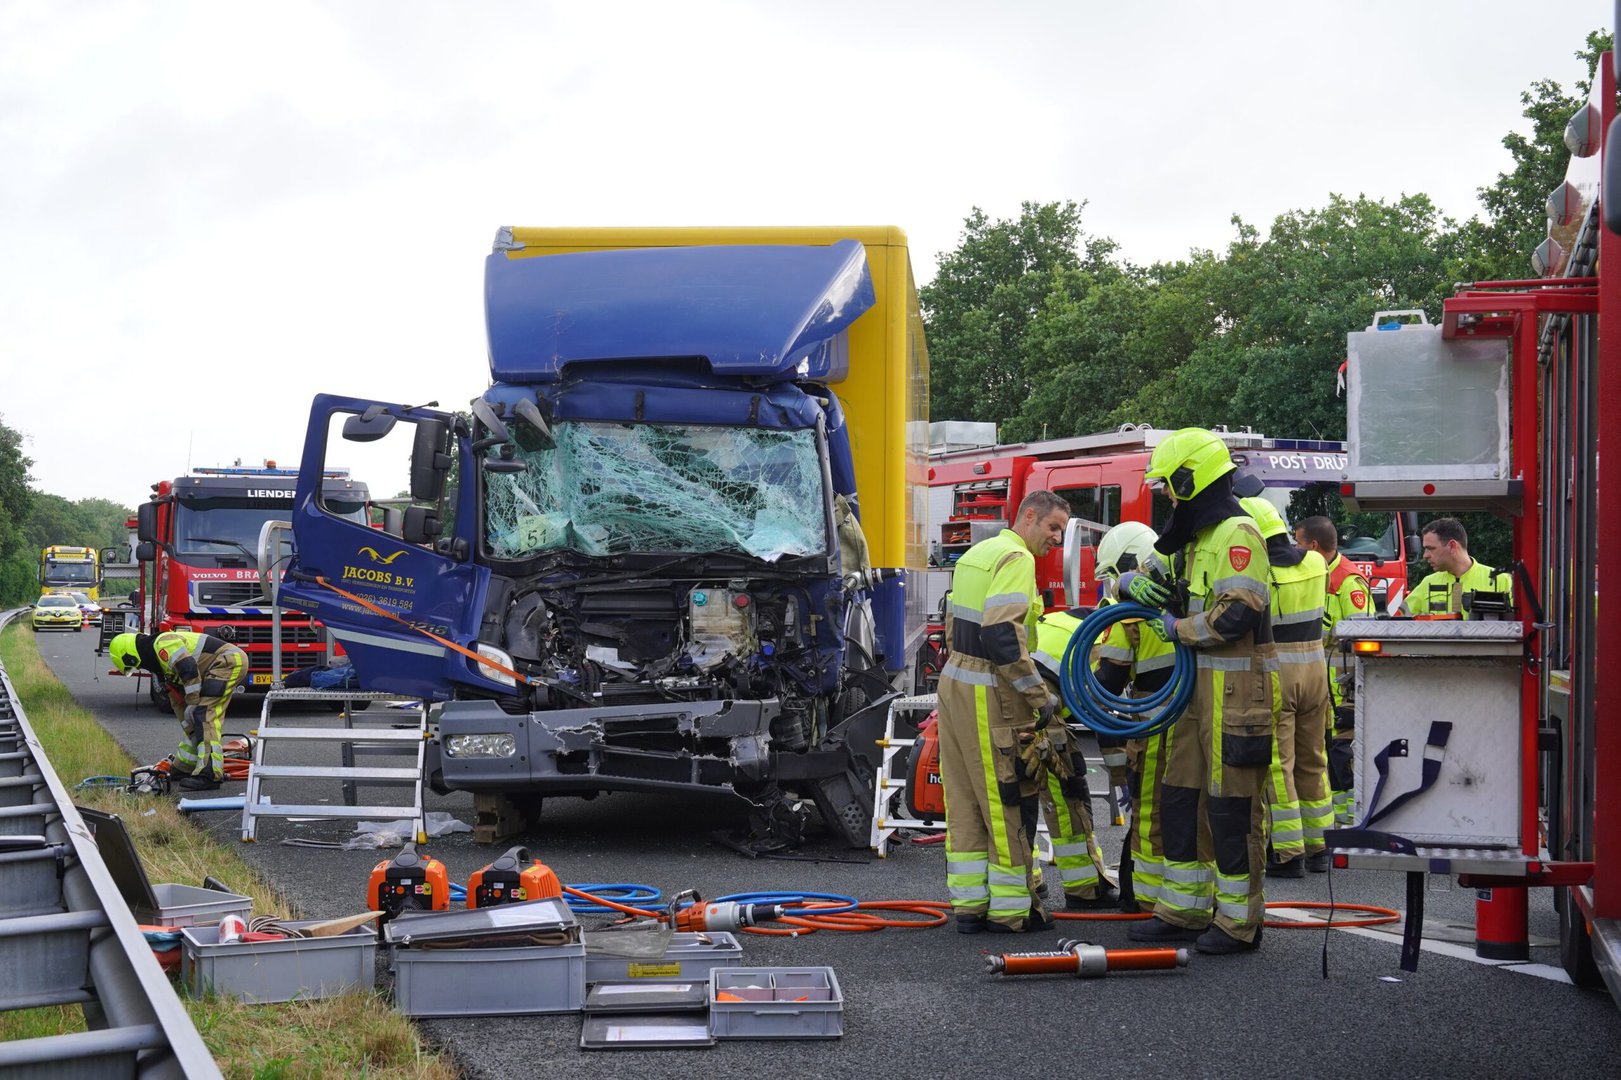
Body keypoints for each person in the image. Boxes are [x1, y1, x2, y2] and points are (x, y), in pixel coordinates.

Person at [1119, 428, 1278, 955]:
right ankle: (1183, 910)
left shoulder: (1237, 534)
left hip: (1236, 689)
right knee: (1180, 796)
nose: (1166, 494)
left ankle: (1238, 924)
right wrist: (1126, 586)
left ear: (1191, 479)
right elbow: (1142, 573)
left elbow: (1237, 614)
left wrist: (1178, 630)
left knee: (1232, 806)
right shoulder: (1192, 538)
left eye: (1169, 484)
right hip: (1194, 687)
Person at [938, 488, 1070, 934]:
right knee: (1005, 798)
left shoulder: (978, 554)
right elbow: (1001, 637)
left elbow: (954, 626)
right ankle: (1013, 910)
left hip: (955, 682)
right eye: (1053, 527)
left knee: (964, 800)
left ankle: (971, 907)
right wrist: (1041, 698)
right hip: (991, 693)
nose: (1056, 538)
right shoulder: (1017, 560)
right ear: (1028, 516)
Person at [1085, 520, 1178, 913]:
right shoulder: (1182, 596)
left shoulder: (1126, 616)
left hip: (1153, 725)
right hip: (1197, 716)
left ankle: (1140, 897)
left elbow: (1109, 680)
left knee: (1149, 813)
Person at [1241, 497, 1333, 877]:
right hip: (1315, 671)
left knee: (1280, 764)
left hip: (1279, 673)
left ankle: (1287, 852)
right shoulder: (1315, 562)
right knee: (1314, 759)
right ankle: (1320, 846)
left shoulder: (1260, 573)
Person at [1029, 607, 1119, 911]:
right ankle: (1085, 889)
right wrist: (1122, 774)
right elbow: (1098, 707)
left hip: (1006, 702)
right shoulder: (1103, 636)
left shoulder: (1060, 621)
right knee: (1068, 793)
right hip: (1039, 705)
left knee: (1013, 797)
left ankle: (1027, 880)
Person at [1296, 515, 1373, 824]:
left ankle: (1348, 817)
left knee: (1340, 749)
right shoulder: (1313, 573)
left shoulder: (1347, 579)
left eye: (1298, 542)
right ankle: (1332, 815)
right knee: (1322, 750)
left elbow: (1363, 635)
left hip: (1343, 684)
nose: (1294, 548)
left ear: (1313, 545)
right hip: (1318, 680)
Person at [108, 631, 248, 790]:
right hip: (216, 665)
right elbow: (178, 693)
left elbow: (187, 668)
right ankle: (185, 767)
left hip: (228, 661)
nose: (140, 668)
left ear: (130, 656)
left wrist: (193, 702)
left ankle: (210, 774)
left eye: (135, 665)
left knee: (204, 715)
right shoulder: (158, 662)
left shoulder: (164, 643)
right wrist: (187, 716)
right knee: (190, 719)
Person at [1405, 517, 1513, 619]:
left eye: (1430, 548)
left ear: (1452, 546)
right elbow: (1398, 619)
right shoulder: (1428, 583)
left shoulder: (1501, 580)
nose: (1425, 556)